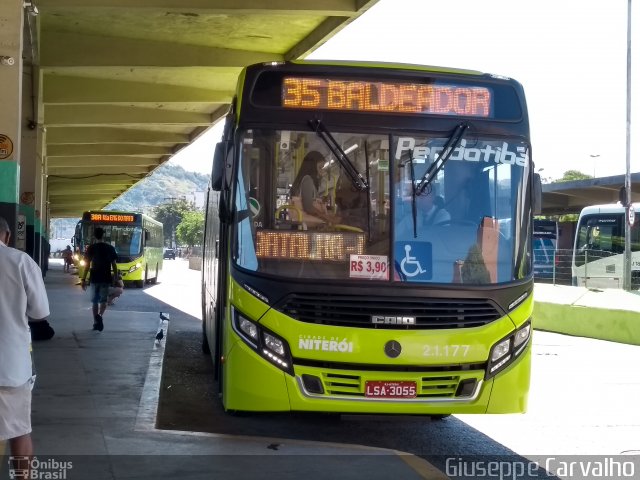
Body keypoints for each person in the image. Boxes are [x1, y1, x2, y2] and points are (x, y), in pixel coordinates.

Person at [0, 216, 50, 468]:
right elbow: (40, 313)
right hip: (11, 366)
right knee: (18, 430)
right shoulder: (21, 261)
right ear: (6, 236)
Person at [81, 227, 118, 332]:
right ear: (103, 235)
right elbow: (114, 265)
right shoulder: (110, 248)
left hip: (94, 277)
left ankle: (95, 322)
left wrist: (83, 279)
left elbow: (87, 265)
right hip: (106, 277)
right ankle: (100, 316)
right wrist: (115, 277)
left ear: (94, 236)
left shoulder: (91, 248)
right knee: (103, 300)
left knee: (95, 301)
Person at [290, 151, 339, 225]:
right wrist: (328, 218)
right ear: (311, 167)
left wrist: (321, 200)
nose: (322, 171)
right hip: (307, 224)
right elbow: (308, 207)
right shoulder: (307, 180)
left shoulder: (302, 180)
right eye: (320, 167)